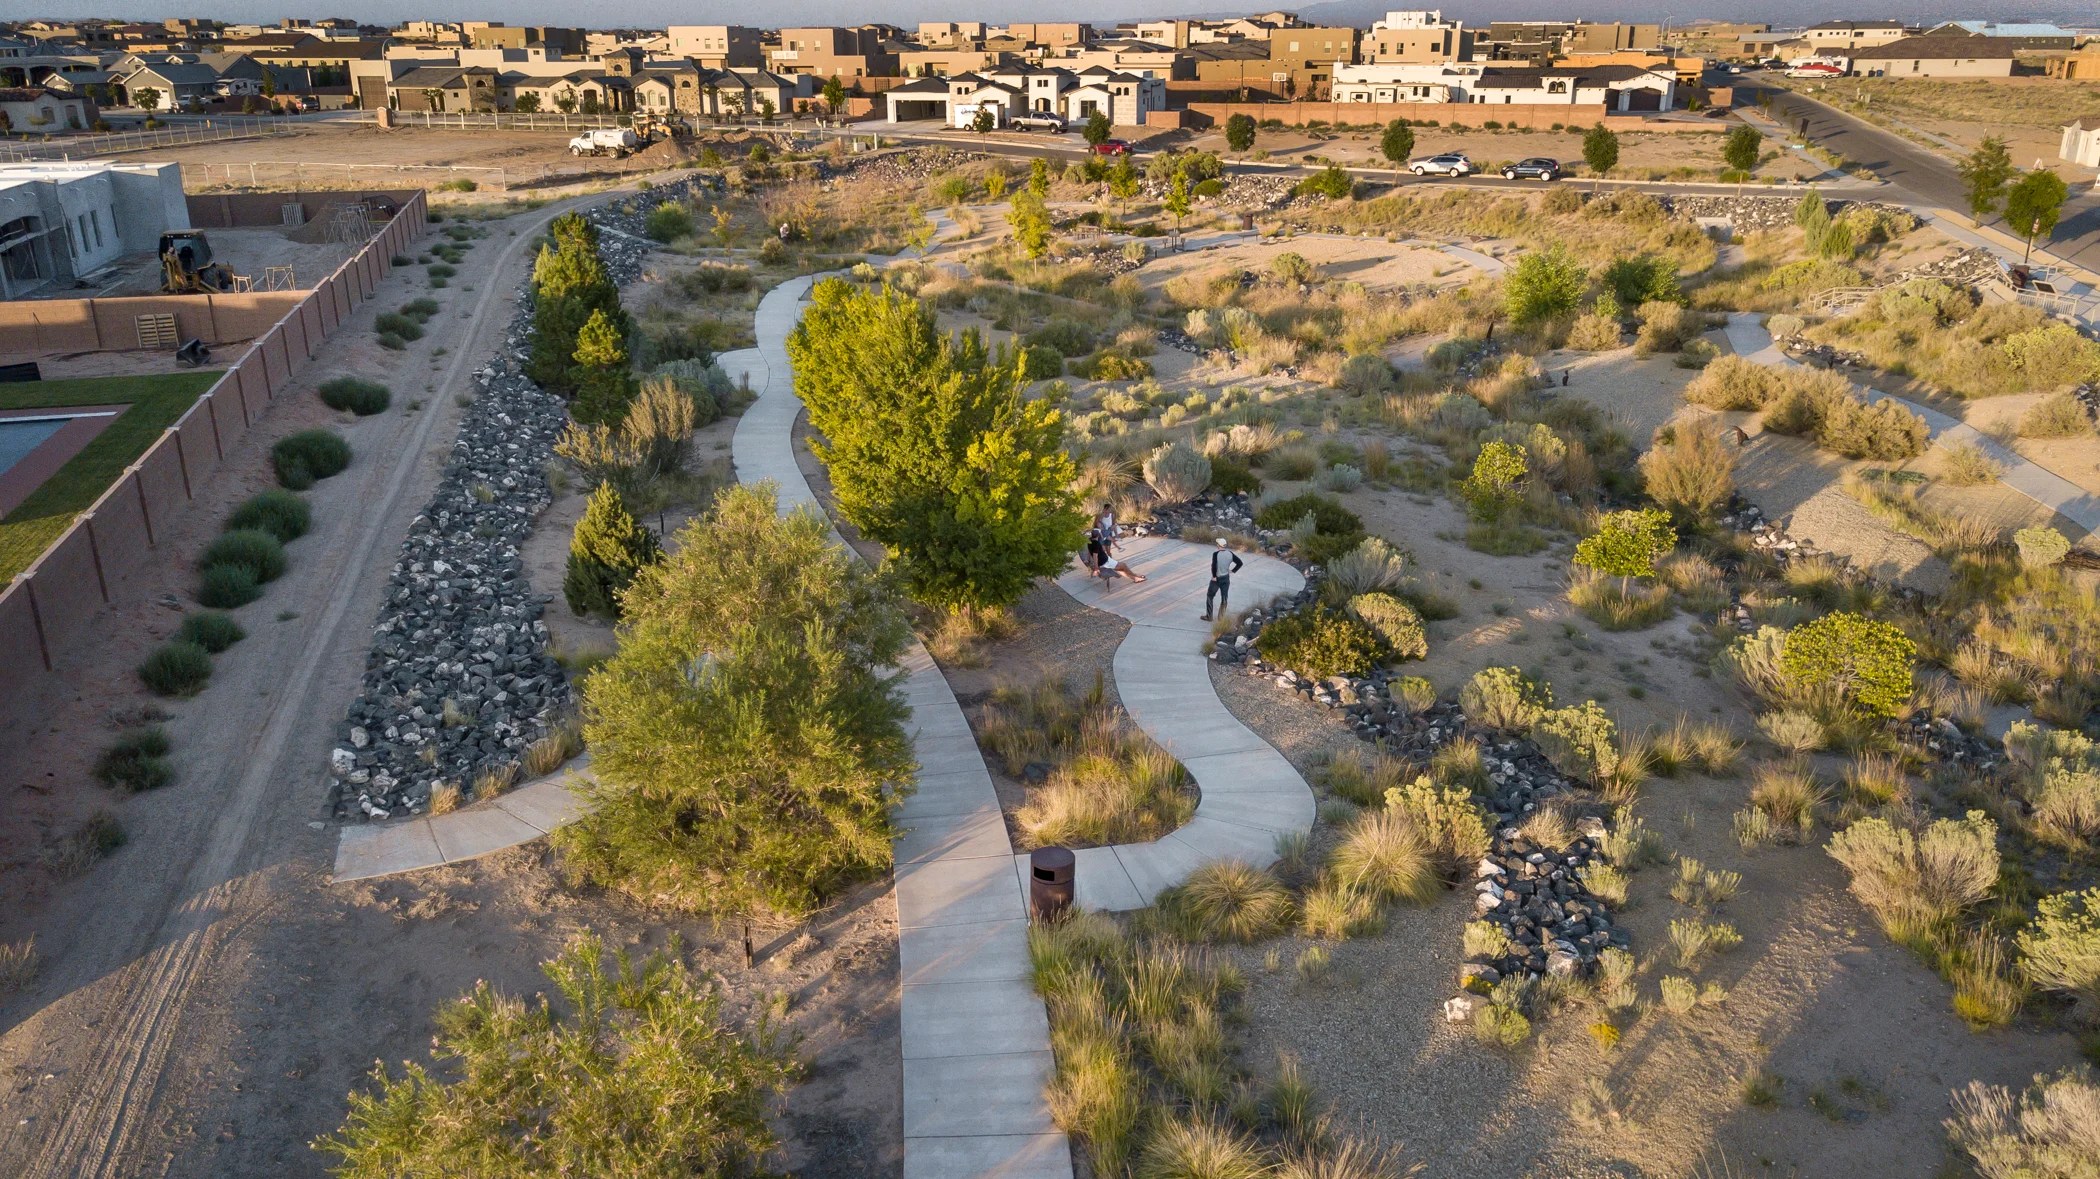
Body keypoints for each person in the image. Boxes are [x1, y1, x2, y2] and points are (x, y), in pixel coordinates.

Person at [1201, 537, 1243, 621]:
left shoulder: (1216, 554)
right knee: (1224, 598)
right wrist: (1233, 570)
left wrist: (1214, 576)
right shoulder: (1230, 553)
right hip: (1226, 578)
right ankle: (1221, 619)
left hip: (1216, 579)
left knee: (1210, 596)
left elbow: (1213, 566)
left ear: (1218, 545)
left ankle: (1209, 616)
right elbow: (1240, 563)